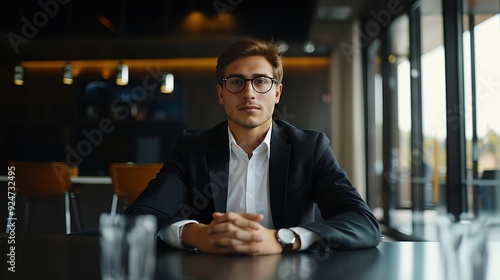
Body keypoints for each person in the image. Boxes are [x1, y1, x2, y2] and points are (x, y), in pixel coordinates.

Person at [124, 38, 381, 255]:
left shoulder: (310, 148)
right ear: (221, 93)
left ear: (277, 93)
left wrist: (284, 239)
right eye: (236, 82)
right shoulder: (192, 147)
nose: (249, 93)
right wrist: (196, 235)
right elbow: (139, 218)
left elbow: (363, 223)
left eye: (261, 81)